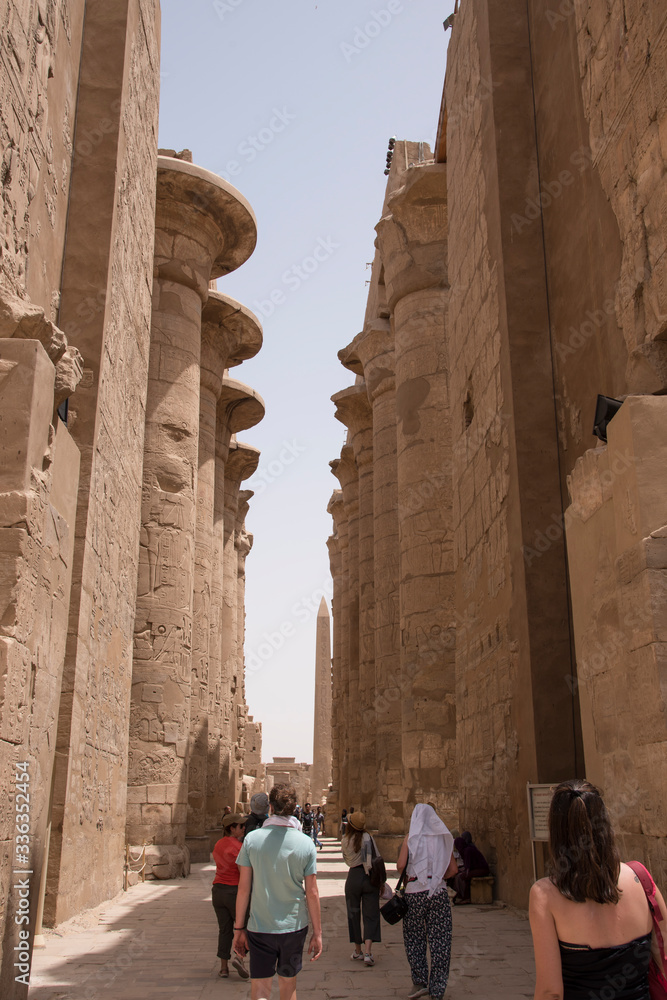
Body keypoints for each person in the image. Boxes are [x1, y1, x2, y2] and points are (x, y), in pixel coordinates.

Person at [529, 779, 666, 1000]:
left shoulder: (545, 895)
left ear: (556, 831)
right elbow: (663, 957)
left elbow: (550, 992)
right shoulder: (641, 879)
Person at [233, 783, 322, 1000]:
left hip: (260, 926)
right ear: (294, 807)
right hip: (294, 927)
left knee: (260, 989)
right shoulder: (306, 844)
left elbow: (243, 889)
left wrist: (238, 928)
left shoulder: (252, 840)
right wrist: (318, 933)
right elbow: (312, 893)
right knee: (288, 985)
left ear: (270, 807)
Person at [397, 803, 458, 1000]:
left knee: (414, 937)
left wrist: (411, 877)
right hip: (437, 893)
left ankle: (420, 982)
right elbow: (453, 870)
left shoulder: (410, 837)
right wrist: (437, 877)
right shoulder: (443, 838)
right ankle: (438, 988)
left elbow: (400, 865)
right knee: (441, 939)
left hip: (414, 892)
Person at [211, 813, 250, 980]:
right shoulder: (239, 847)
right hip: (234, 891)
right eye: (240, 826)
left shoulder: (218, 844)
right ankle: (239, 958)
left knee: (224, 930)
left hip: (218, 891)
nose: (244, 828)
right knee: (243, 927)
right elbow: (243, 873)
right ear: (232, 828)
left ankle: (223, 968)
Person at [341, 811, 382, 967]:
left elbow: (346, 860)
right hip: (369, 877)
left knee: (353, 914)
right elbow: (376, 858)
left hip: (353, 877)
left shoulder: (345, 840)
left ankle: (357, 950)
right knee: (370, 915)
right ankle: (368, 952)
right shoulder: (368, 838)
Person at [451, 831, 490, 904]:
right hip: (476, 869)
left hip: (482, 869)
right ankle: (461, 896)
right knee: (460, 875)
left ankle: (466, 897)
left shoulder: (467, 850)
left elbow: (468, 867)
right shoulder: (466, 849)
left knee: (463, 876)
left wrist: (463, 872)